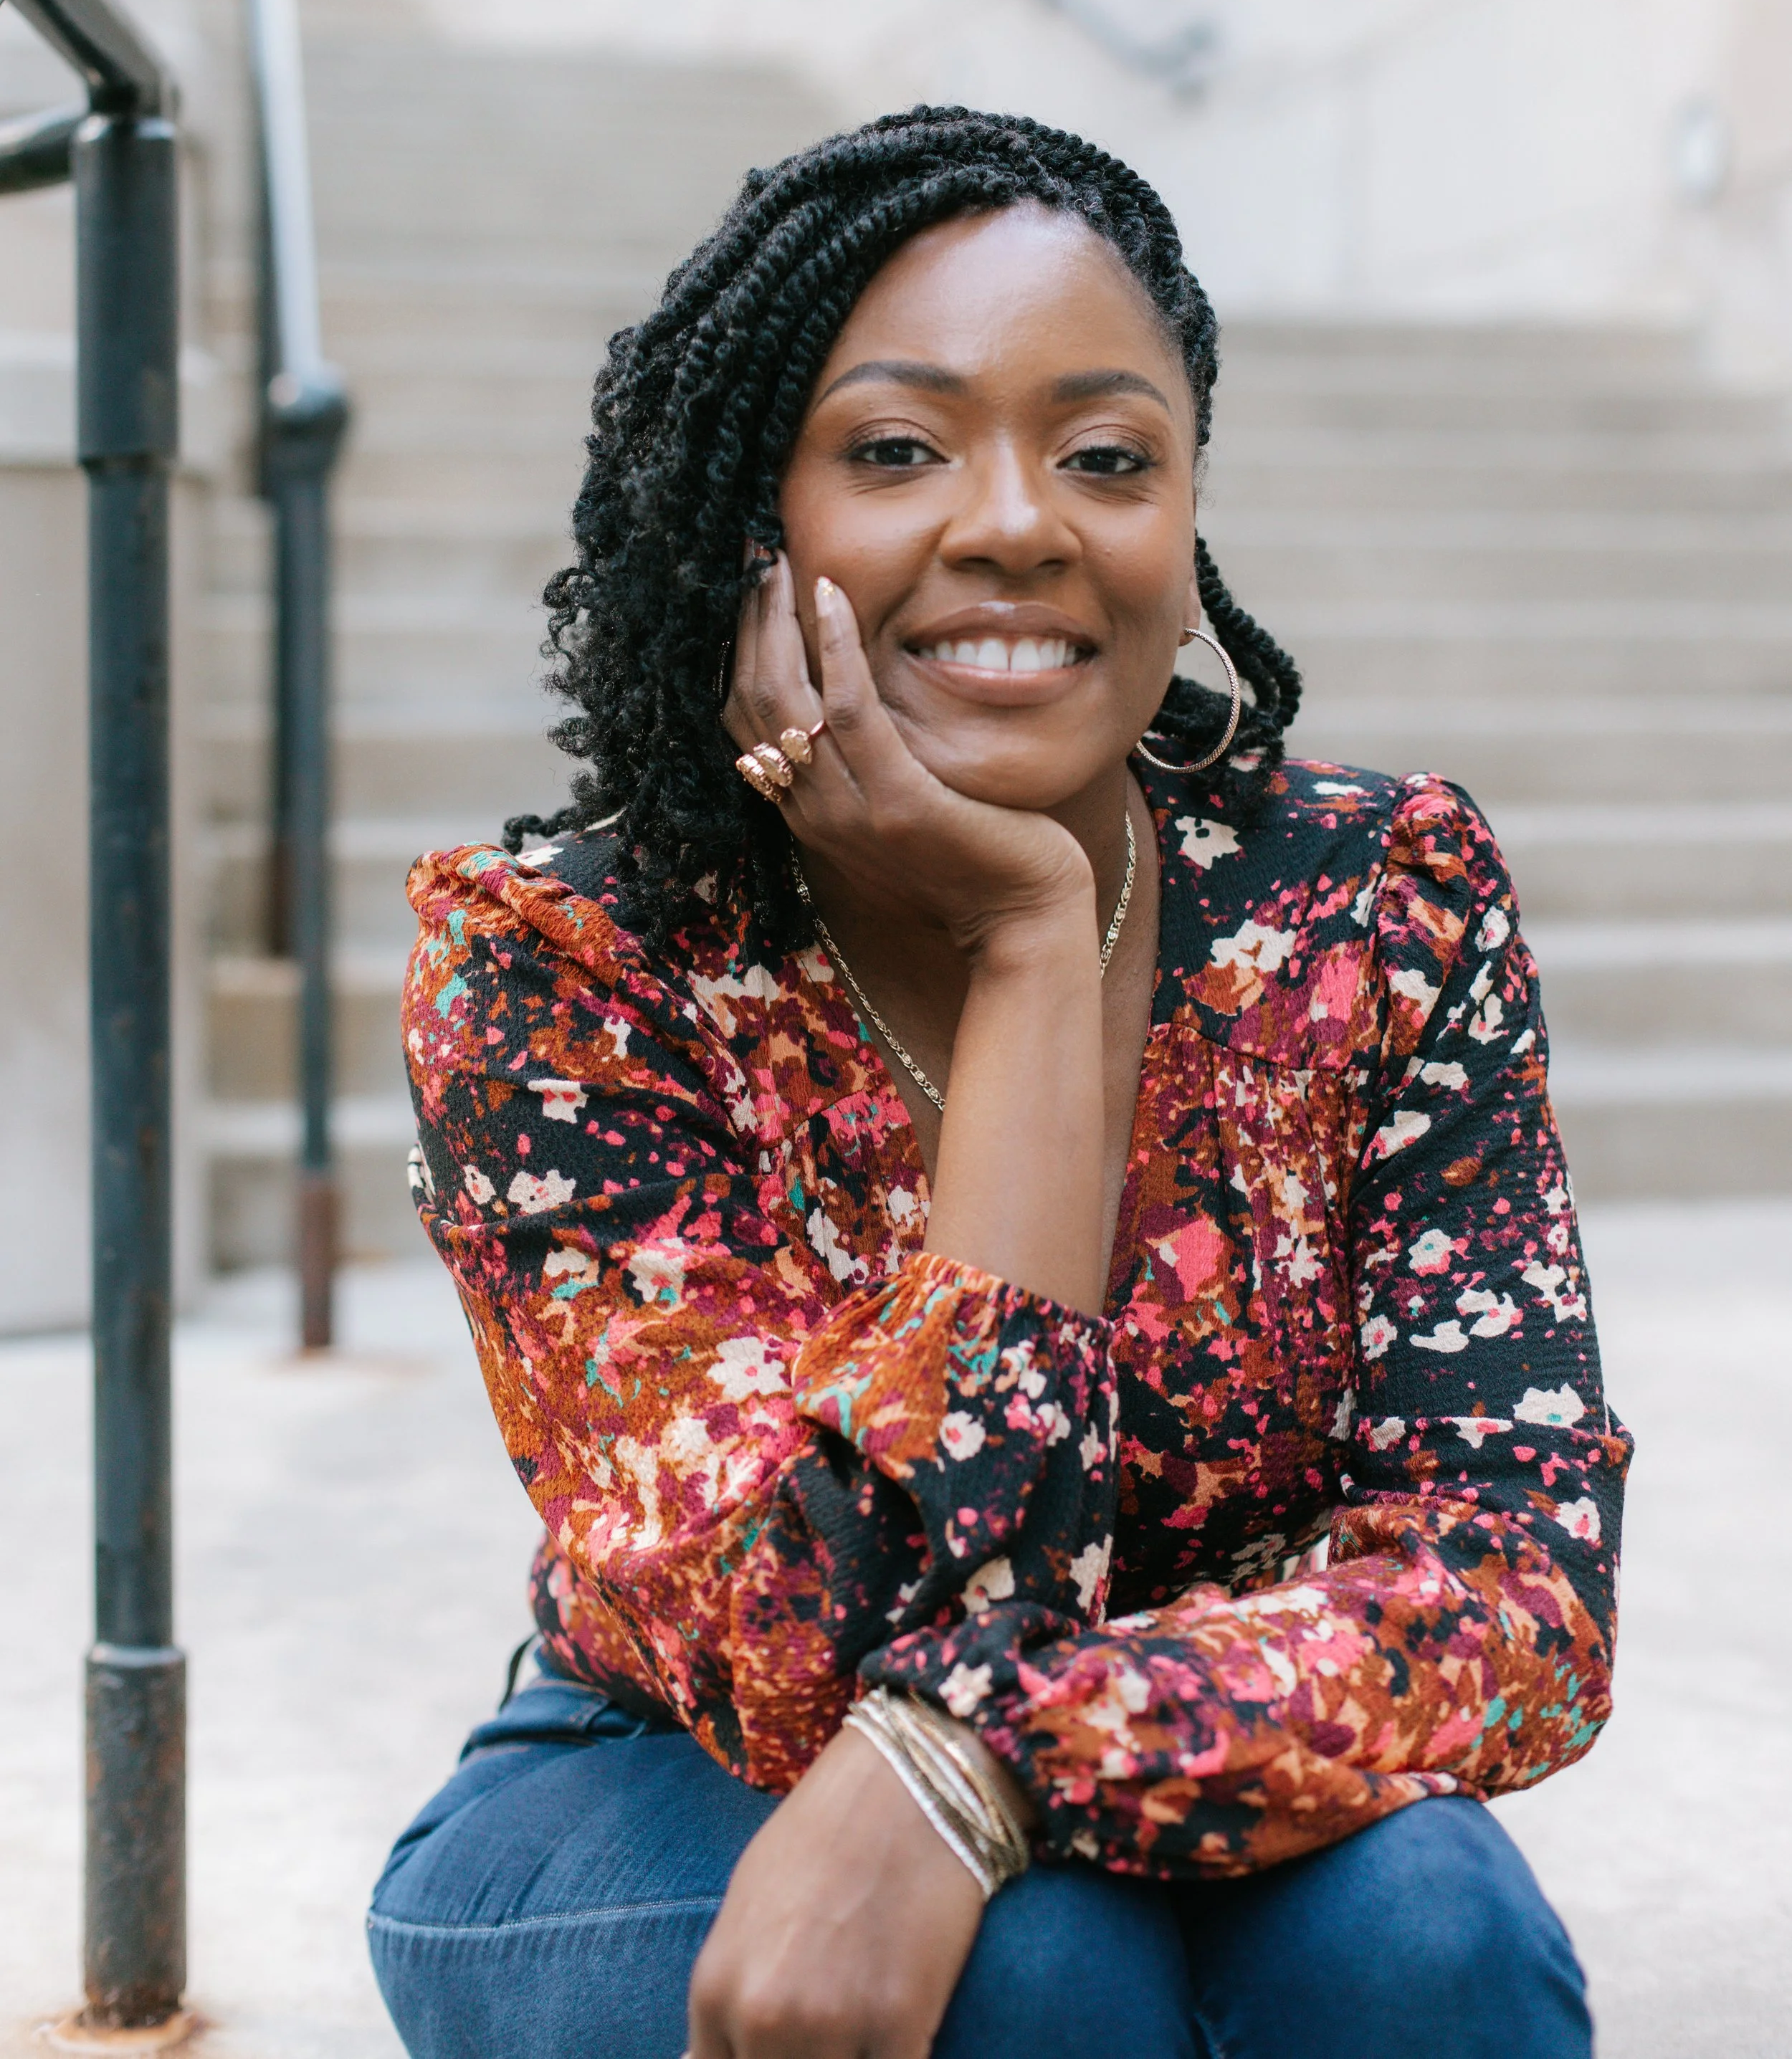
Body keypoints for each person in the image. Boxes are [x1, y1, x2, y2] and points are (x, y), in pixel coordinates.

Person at [368, 108, 1629, 2059]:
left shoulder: (1375, 901)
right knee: (1039, 1975)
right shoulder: (570, 970)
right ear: (745, 520)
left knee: (1429, 1937)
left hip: (1215, 1695)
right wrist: (1036, 945)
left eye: (1106, 455)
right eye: (894, 448)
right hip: (659, 1759)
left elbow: (1513, 1578)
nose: (1020, 520)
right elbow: (797, 1653)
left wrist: (997, 1772)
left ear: (1184, 516)